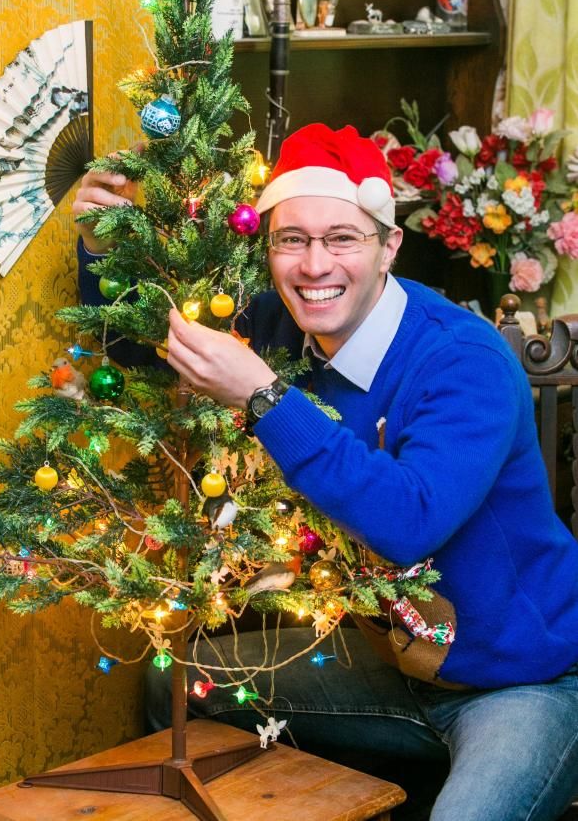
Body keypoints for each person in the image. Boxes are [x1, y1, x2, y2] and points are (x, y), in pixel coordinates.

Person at [75, 123, 578, 821]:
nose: (315, 265)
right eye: (292, 239)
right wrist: (104, 245)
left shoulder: (464, 360)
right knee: (177, 687)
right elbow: (143, 344)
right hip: (398, 665)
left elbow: (411, 520)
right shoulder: (281, 327)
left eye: (342, 238)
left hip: (526, 681)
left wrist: (265, 396)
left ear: (389, 246)